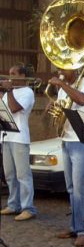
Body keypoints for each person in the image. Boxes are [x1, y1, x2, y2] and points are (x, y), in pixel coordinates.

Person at [49, 69, 84, 247]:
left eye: (63, 68)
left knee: (80, 189)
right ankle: (75, 226)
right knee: (70, 188)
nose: (60, 71)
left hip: (80, 141)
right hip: (67, 139)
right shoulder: (65, 88)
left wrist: (61, 84)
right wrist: (54, 106)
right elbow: (65, 109)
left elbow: (81, 100)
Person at [0, 63, 37, 221]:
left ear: (22, 76)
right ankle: (13, 204)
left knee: (23, 175)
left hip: (20, 138)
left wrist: (8, 90)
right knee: (10, 175)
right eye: (9, 73)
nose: (10, 76)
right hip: (6, 136)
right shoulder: (9, 93)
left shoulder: (27, 92)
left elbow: (15, 109)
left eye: (13, 73)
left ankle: (28, 208)